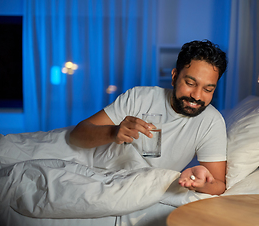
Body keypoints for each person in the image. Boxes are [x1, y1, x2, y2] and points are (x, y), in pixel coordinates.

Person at [69, 40, 228, 195]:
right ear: (174, 77)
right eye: (190, 83)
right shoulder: (139, 97)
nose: (197, 96)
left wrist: (199, 183)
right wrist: (113, 132)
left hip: (139, 185)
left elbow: (219, 184)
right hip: (93, 168)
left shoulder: (211, 122)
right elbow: (77, 136)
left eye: (208, 89)